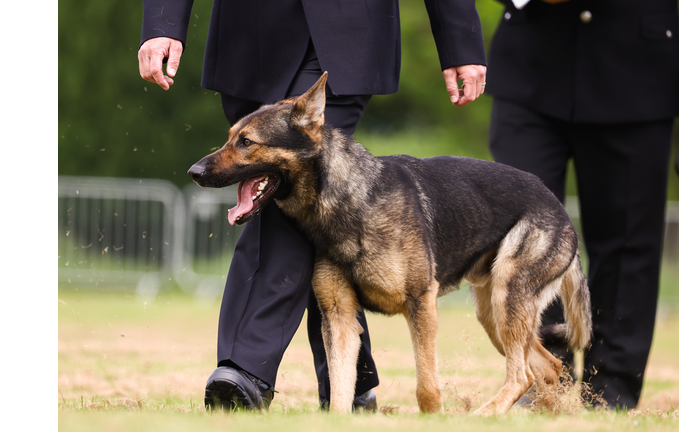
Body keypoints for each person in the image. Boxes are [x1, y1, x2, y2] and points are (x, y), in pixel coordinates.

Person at [137, 0, 487, 412]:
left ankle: (246, 368)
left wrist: (458, 37)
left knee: (292, 193)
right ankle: (353, 383)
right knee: (313, 212)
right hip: (249, 38)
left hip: (350, 32)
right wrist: (162, 21)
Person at [485, 0, 679, 409]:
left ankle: (611, 391)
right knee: (524, 238)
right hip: (530, 64)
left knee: (628, 241)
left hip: (639, 71)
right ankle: (539, 382)